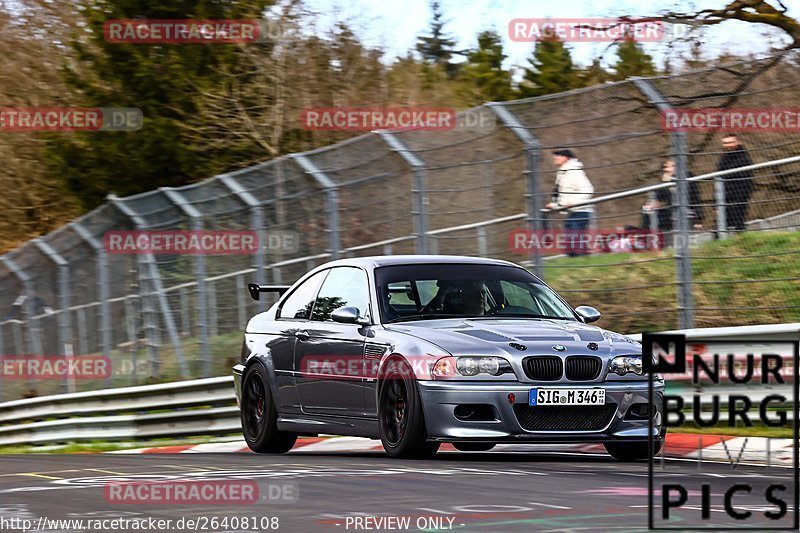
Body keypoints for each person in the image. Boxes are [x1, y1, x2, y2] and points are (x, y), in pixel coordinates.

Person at [546, 149, 594, 256]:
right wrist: (554, 205)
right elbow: (565, 195)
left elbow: (588, 190)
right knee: (573, 242)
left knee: (573, 243)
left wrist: (573, 203)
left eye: (557, 156)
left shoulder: (574, 172)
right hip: (573, 211)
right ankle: (582, 260)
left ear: (565, 157)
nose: (555, 158)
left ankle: (580, 261)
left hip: (580, 211)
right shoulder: (564, 172)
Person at [642, 158, 704, 234]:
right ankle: (645, 235)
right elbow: (660, 198)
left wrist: (669, 182)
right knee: (647, 211)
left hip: (685, 209)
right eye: (665, 167)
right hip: (670, 210)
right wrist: (664, 183)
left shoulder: (687, 177)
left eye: (669, 167)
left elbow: (690, 197)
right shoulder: (665, 180)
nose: (666, 170)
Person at [717, 133, 754, 231]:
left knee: (737, 222)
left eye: (731, 142)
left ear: (738, 142)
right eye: (725, 143)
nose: (728, 145)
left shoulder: (743, 157)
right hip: (725, 196)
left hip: (738, 195)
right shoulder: (724, 158)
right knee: (721, 224)